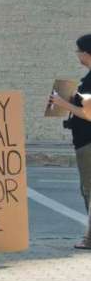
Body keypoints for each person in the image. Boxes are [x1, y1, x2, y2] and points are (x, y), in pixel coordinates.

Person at [49, 34, 91, 251]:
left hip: (88, 143)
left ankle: (90, 238)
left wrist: (62, 102)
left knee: (89, 190)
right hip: (84, 141)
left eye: (78, 51)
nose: (77, 55)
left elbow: (89, 114)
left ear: (87, 53)